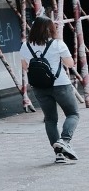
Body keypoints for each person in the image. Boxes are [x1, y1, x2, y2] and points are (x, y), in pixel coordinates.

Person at [21, 16, 80, 164]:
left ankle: (59, 155)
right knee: (73, 114)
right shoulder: (57, 44)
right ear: (51, 29)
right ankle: (64, 141)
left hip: (39, 87)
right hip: (60, 84)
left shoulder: (25, 46)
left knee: (50, 119)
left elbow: (25, 67)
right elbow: (70, 63)